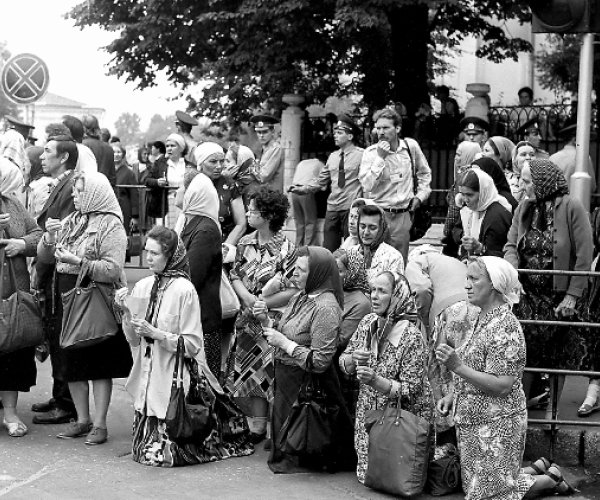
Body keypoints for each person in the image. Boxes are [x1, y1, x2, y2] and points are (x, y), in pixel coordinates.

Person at [436, 256, 575, 498]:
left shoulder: (506, 327)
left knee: (490, 495)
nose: (466, 285)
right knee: (480, 489)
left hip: (497, 424)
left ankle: (549, 480)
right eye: (466, 278)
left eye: (474, 279)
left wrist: (456, 366)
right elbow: (474, 365)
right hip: (473, 423)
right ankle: (538, 470)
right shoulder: (479, 317)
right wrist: (452, 394)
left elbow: (502, 385)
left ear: (494, 284)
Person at [115, 226, 254, 467]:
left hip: (174, 379)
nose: (148, 258)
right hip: (149, 376)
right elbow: (134, 340)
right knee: (145, 454)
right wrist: (126, 313)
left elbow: (192, 344)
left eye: (154, 253)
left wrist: (157, 334)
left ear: (170, 256)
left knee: (162, 456)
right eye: (146, 251)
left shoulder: (184, 290)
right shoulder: (144, 286)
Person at [37, 172, 132, 445]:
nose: (74, 196)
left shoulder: (111, 224)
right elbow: (46, 258)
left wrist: (78, 261)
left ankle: (100, 425)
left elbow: (113, 270)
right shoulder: (73, 220)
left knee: (97, 363)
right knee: (72, 362)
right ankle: (81, 420)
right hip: (65, 299)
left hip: (94, 301)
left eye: (79, 192)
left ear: (94, 194)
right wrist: (49, 238)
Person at [505, 159, 594, 422]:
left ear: (543, 182)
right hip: (527, 293)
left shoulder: (571, 207)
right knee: (525, 350)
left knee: (557, 354)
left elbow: (584, 255)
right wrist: (514, 274)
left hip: (559, 297)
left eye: (527, 181)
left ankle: (552, 411)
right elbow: (511, 245)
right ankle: (518, 410)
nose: (522, 186)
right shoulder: (524, 208)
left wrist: (572, 295)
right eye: (521, 180)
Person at [260, 246, 356, 474]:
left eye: (301, 270)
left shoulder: (326, 307)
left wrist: (285, 344)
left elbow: (320, 361)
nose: (294, 274)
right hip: (289, 379)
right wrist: (266, 321)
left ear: (317, 274)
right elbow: (287, 331)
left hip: (305, 382)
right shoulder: (302, 296)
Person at [340, 271, 433, 484]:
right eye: (372, 289)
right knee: (370, 478)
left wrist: (375, 381)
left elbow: (411, 390)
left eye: (382, 291)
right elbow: (343, 362)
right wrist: (352, 359)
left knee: (397, 480)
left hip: (400, 422)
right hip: (370, 415)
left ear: (397, 295)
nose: (374, 295)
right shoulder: (368, 323)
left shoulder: (411, 335)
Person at [228, 187, 298, 442]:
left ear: (268, 215)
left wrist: (263, 302)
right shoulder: (245, 242)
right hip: (247, 318)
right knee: (251, 371)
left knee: (272, 371)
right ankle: (257, 426)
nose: (247, 213)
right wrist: (247, 298)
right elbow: (234, 274)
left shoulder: (287, 248)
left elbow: (293, 288)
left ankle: (276, 428)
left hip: (273, 321)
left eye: (253, 209)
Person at [31, 124, 80, 426]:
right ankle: (59, 394)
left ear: (63, 158)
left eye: (47, 152)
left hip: (58, 268)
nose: (41, 157)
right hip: (53, 265)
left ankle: (65, 402)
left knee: (60, 334)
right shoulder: (61, 183)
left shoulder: (70, 185)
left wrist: (41, 271)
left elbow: (59, 232)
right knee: (55, 332)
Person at [0, 169, 43, 437]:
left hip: (14, 292)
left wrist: (21, 243)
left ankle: (11, 413)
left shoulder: (12, 203)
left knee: (12, 353)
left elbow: (37, 234)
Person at [359, 107, 431, 261]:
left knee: (399, 262)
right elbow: (367, 185)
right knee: (375, 262)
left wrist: (420, 197)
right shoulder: (371, 153)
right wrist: (380, 158)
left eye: (385, 127)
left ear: (397, 128)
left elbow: (425, 173)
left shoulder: (410, 147)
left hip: (403, 214)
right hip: (378, 214)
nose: (381, 132)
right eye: (378, 128)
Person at [291, 115, 364, 251]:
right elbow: (321, 180)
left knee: (352, 249)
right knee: (329, 249)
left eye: (339, 133)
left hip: (350, 207)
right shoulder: (333, 156)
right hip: (332, 208)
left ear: (350, 136)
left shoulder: (362, 155)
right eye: (335, 132)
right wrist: (303, 189)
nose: (335, 136)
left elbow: (367, 181)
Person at [179, 166, 223, 378]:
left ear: (192, 194)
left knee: (205, 385)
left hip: (202, 319)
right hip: (190, 316)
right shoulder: (189, 223)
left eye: (181, 188)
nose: (177, 191)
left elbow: (191, 274)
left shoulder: (205, 230)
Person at [195, 141, 247, 254]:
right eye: (213, 162)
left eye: (222, 161)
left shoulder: (229, 184)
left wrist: (225, 249)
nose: (219, 166)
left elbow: (241, 224)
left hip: (225, 244)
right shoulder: (193, 183)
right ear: (201, 163)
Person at [346, 204, 404, 293]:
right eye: (362, 226)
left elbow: (395, 293)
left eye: (372, 228)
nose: (366, 232)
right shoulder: (349, 253)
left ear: (381, 229)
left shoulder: (393, 257)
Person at [442, 141, 482, 245]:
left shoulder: (465, 178)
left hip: (461, 232)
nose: (456, 158)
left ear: (468, 156)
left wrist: (446, 231)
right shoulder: (478, 174)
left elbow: (454, 210)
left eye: (459, 154)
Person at [550, 122, 597, 193]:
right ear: (575, 140)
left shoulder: (552, 158)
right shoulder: (584, 158)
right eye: (585, 139)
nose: (588, 143)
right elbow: (592, 187)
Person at [288, 157, 323, 246]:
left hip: (294, 191)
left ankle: (298, 246)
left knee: (299, 222)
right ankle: (308, 248)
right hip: (305, 191)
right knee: (310, 221)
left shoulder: (302, 163)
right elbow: (323, 184)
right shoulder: (320, 164)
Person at [164, 133, 193, 228]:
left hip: (184, 202)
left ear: (181, 148)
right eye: (167, 146)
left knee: (182, 228)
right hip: (167, 202)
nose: (169, 148)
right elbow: (148, 180)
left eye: (172, 146)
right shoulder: (161, 164)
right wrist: (157, 182)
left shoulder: (189, 166)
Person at [250, 114, 284, 192]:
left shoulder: (275, 148)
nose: (261, 135)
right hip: (265, 194)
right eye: (259, 132)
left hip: (273, 195)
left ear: (272, 131)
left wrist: (251, 169)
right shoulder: (265, 149)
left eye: (265, 132)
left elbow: (263, 177)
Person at [113, 143, 139, 237]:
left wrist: (135, 216)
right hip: (110, 206)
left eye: (118, 152)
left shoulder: (129, 173)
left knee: (123, 234)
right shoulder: (107, 171)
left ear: (123, 154)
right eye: (114, 152)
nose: (116, 154)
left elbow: (134, 195)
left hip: (124, 207)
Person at [81, 115, 116, 186]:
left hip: (85, 190)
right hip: (104, 190)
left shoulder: (81, 145)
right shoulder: (108, 148)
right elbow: (112, 178)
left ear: (83, 128)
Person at [25, 146, 53, 219]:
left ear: (34, 163)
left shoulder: (43, 186)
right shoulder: (33, 183)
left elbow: (40, 218)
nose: (23, 164)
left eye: (26, 160)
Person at [145, 141, 169, 223]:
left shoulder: (161, 162)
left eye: (152, 147)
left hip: (163, 200)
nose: (151, 150)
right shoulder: (157, 162)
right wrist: (157, 182)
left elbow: (148, 179)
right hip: (159, 201)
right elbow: (147, 180)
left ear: (158, 149)